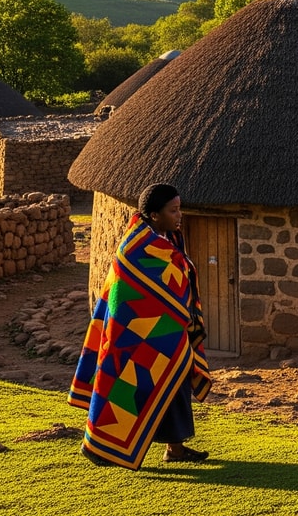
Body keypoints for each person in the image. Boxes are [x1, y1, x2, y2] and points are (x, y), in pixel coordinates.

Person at [70, 183, 213, 469]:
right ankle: (99, 445)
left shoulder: (165, 239)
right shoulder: (138, 247)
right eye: (173, 211)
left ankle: (175, 448)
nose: (180, 215)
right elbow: (129, 292)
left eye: (179, 209)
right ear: (154, 214)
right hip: (132, 334)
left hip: (164, 330)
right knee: (124, 384)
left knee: (174, 380)